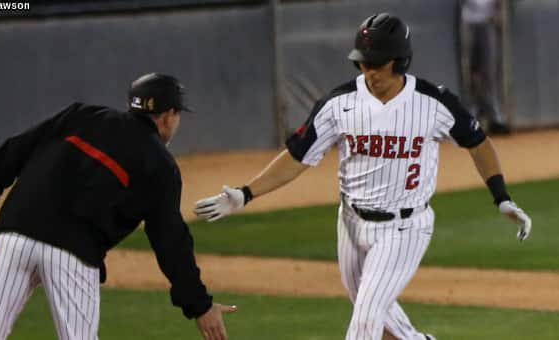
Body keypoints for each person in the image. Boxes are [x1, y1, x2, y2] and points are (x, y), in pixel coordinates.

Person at [194, 13, 531, 340]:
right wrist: (244, 194)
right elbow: (297, 156)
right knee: (379, 317)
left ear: (400, 62)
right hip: (351, 224)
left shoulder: (433, 102)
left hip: (405, 227)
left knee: (366, 322)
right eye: (363, 63)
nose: (369, 71)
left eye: (377, 63)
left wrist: (501, 196)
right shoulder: (340, 103)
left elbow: (479, 143)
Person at [0, 73, 236, 340]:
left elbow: (20, 146)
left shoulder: (82, 115)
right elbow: (170, 241)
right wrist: (199, 306)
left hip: (14, 234)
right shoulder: (161, 166)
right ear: (168, 115)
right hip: (71, 253)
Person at [459, 0, 511, 134]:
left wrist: (499, 11)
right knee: (468, 72)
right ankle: (471, 117)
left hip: (489, 21)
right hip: (468, 20)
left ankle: (495, 118)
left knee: (489, 72)